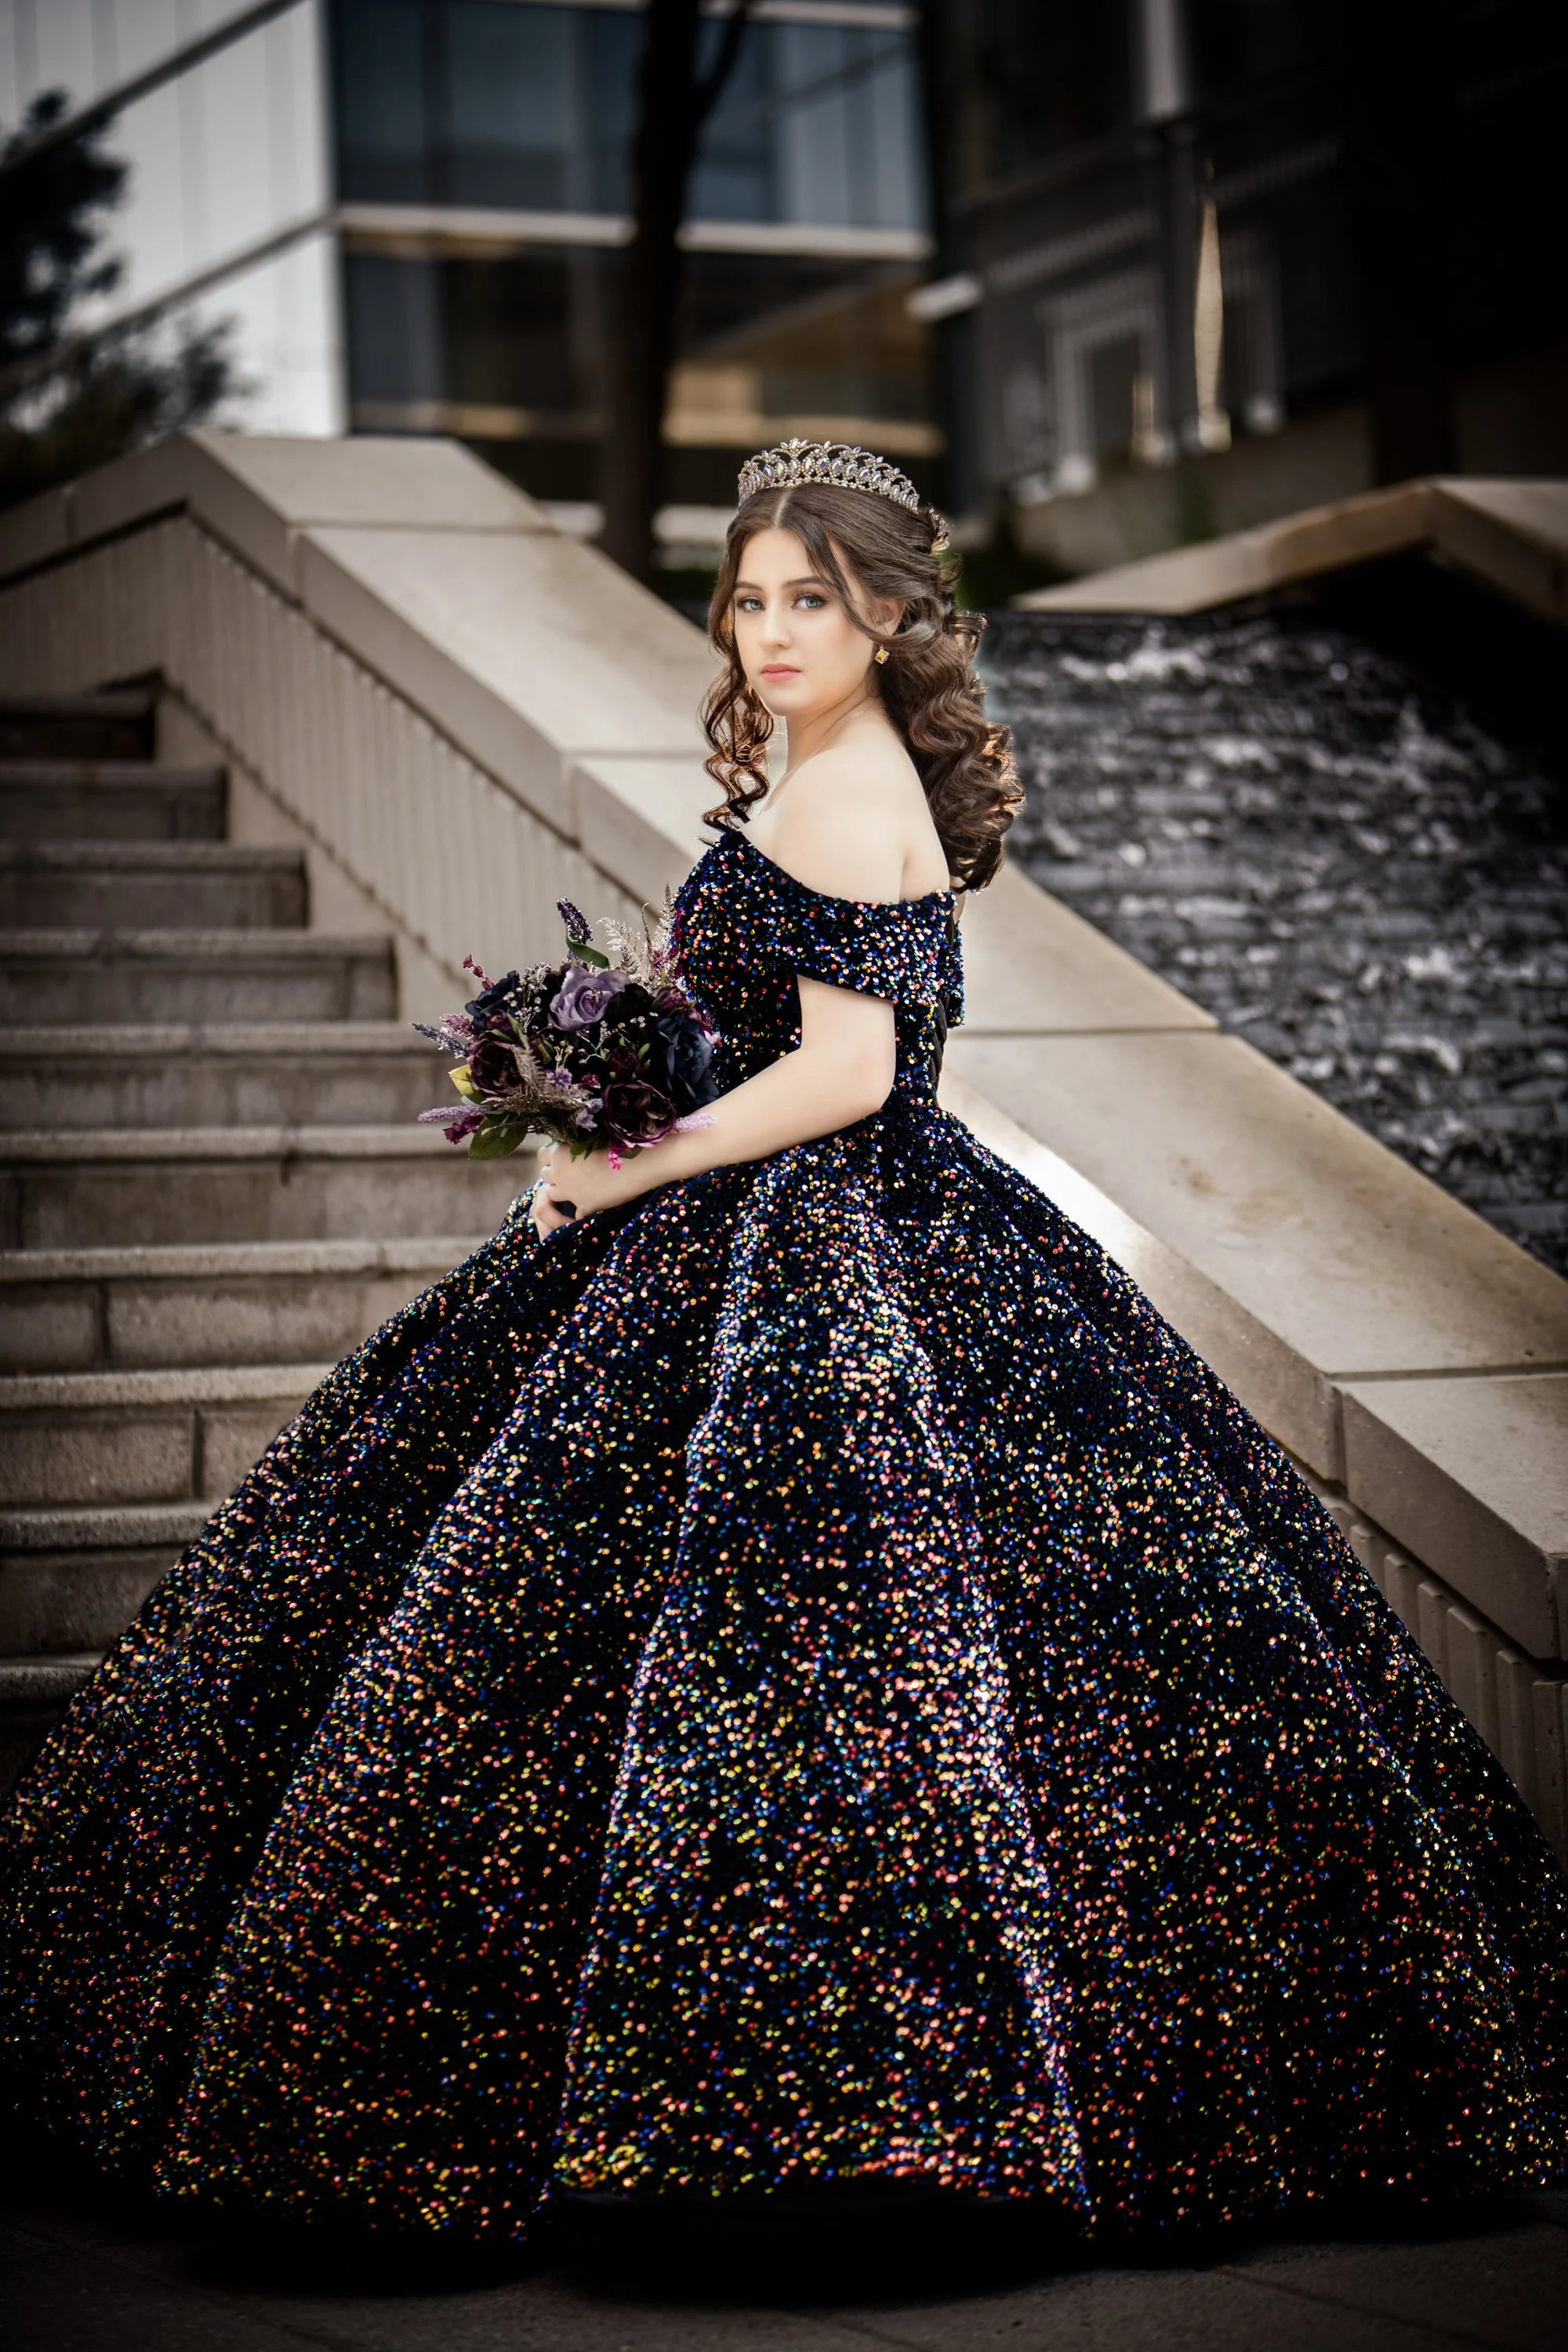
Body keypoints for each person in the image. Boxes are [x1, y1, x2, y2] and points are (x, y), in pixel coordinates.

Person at [1, 441, 1563, 2259]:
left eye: (807, 598)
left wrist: (616, 1166)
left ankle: (799, 2110)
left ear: (890, 613)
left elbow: (849, 1073)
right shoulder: (835, 775)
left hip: (825, 1235)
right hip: (815, 1216)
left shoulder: (842, 791)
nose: (767, 632)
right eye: (745, 600)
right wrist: (609, 1059)